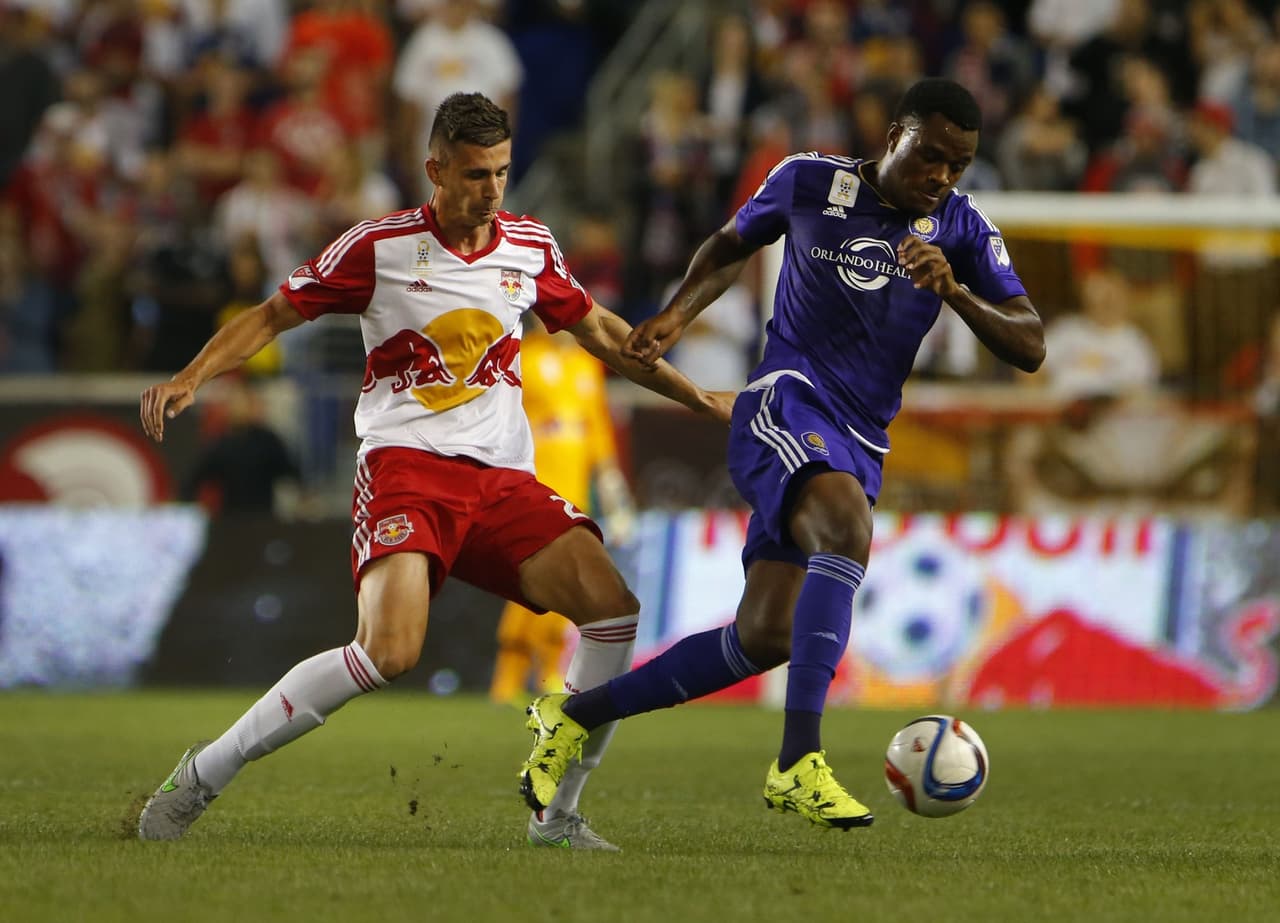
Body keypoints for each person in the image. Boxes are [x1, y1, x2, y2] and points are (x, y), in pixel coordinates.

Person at [136, 92, 731, 850]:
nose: (491, 189)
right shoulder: (377, 247)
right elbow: (273, 314)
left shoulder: (529, 246)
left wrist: (698, 397)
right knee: (389, 652)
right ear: (436, 169)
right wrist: (193, 375)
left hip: (503, 480)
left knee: (614, 609)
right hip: (406, 469)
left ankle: (557, 815)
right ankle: (204, 773)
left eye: (503, 172)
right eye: (477, 173)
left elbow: (606, 335)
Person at [519, 78, 1044, 830]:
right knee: (846, 529)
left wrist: (957, 293)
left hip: (861, 438)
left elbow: (1030, 344)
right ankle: (798, 760)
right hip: (785, 399)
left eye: (956, 164)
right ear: (893, 132)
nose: (941, 176)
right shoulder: (809, 178)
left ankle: (572, 714)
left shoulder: (961, 228)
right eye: (930, 155)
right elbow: (734, 243)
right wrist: (673, 315)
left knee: (765, 634)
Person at [488, 312, 635, 708]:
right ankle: (508, 677)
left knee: (567, 581)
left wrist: (614, 492)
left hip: (575, 491)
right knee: (529, 581)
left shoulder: (588, 364)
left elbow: (599, 430)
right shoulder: (521, 355)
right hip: (533, 484)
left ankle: (548, 670)